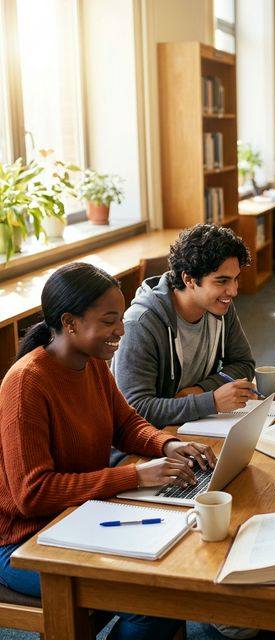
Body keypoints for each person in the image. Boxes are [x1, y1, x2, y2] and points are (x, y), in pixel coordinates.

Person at [0, 262, 216, 639]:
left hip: (81, 517)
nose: (121, 330)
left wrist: (169, 443)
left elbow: (126, 424)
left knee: (165, 582)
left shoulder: (93, 364)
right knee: (150, 600)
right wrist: (133, 475)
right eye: (109, 321)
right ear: (69, 323)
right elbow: (32, 495)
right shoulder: (26, 384)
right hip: (23, 541)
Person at [111, 224, 256, 428]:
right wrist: (211, 401)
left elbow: (244, 364)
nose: (233, 291)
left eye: (235, 279)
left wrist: (199, 390)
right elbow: (136, 409)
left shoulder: (220, 307)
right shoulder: (141, 324)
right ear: (188, 279)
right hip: (150, 438)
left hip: (194, 426)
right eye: (221, 281)